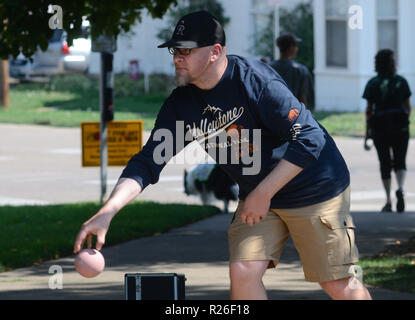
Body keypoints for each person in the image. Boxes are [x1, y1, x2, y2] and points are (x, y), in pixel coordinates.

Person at [74, 11, 371, 300]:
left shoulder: (256, 82)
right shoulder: (183, 105)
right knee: (243, 269)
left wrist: (262, 194)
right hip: (260, 195)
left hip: (314, 188)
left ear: (215, 52)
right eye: (174, 51)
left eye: (186, 51)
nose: (177, 58)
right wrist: (108, 211)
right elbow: (148, 161)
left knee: (337, 282)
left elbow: (310, 138)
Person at [363, 49, 412, 213]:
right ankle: (401, 188)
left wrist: (367, 133)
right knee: (400, 161)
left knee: (384, 163)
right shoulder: (401, 81)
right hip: (401, 128)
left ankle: (388, 200)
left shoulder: (373, 84)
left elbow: (369, 111)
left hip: (380, 128)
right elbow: (408, 107)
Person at [270, 32, 314, 110]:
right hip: (293, 114)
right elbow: (303, 97)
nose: (297, 49)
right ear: (291, 47)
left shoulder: (268, 68)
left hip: (272, 112)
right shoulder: (301, 70)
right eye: (296, 46)